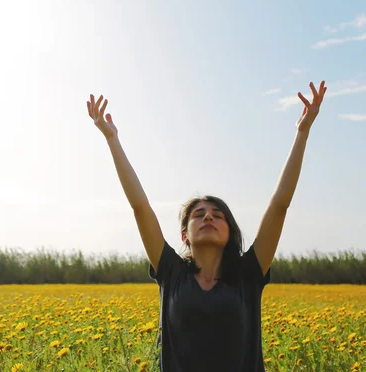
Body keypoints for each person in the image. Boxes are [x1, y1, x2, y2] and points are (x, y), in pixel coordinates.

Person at [85, 81, 327, 371]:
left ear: (230, 232)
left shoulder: (248, 275)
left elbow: (279, 206)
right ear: (184, 235)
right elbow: (140, 207)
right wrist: (112, 139)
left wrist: (302, 133)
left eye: (217, 214)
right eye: (198, 215)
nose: (208, 217)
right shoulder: (171, 273)